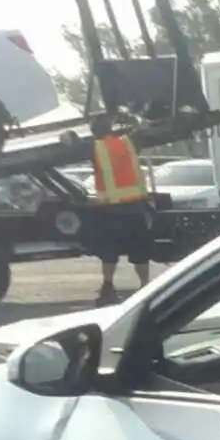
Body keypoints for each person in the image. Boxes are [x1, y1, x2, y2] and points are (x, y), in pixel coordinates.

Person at [86, 126, 156, 307]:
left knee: (109, 253)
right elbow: (141, 132)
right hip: (134, 207)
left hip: (111, 211)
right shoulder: (127, 143)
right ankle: (144, 287)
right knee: (140, 252)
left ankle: (108, 287)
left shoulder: (96, 147)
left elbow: (73, 144)